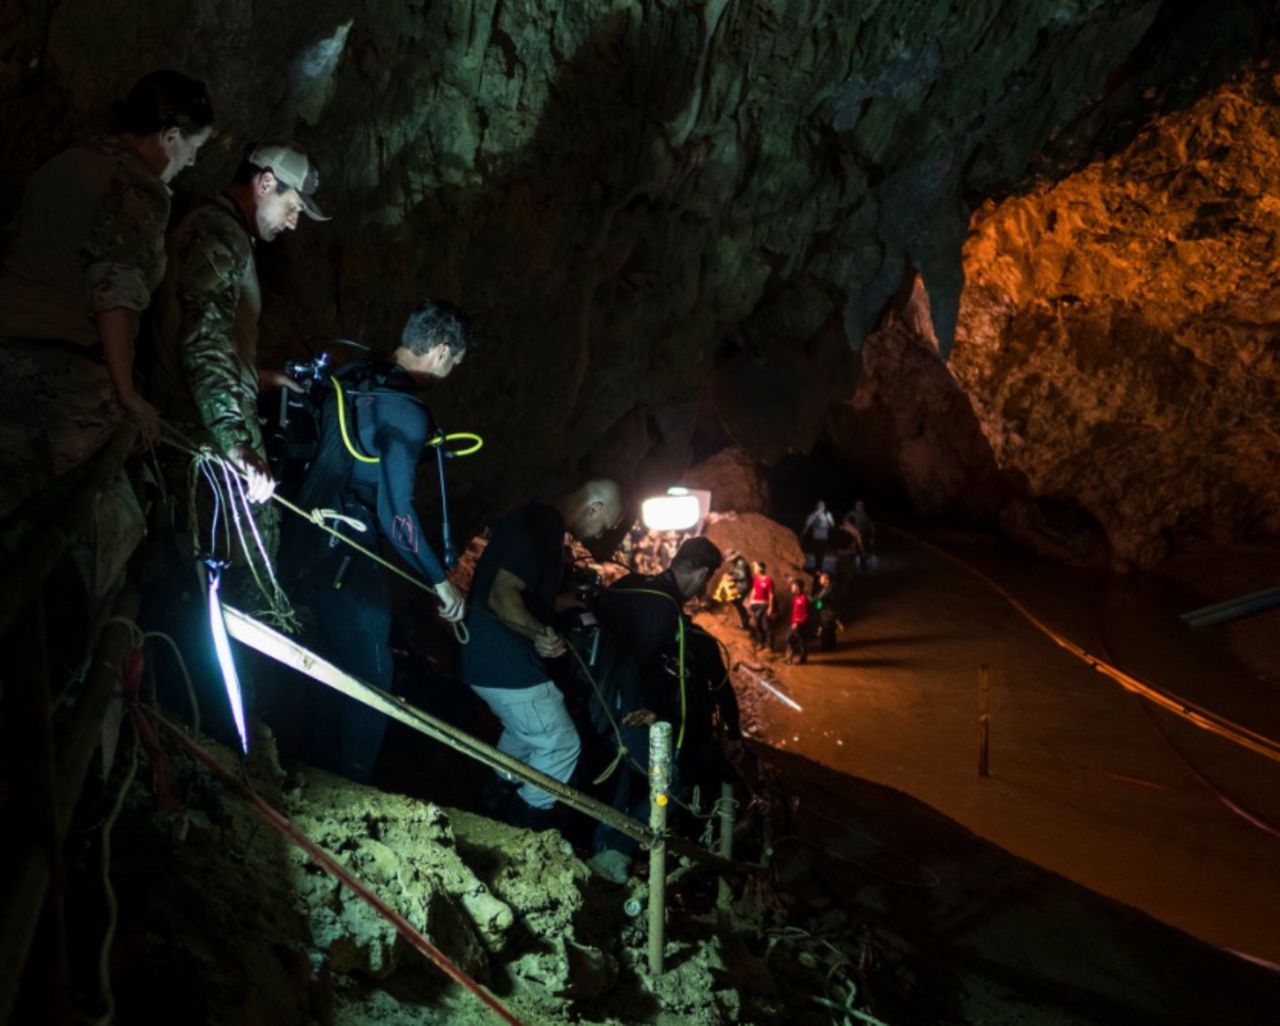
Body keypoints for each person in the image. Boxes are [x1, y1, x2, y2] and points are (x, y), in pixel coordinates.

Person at [0, 70, 214, 519]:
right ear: (170, 136)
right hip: (61, 377)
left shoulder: (66, 162)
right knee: (98, 521)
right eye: (194, 148)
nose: (193, 162)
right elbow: (114, 291)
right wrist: (126, 396)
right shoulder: (137, 190)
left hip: (7, 353)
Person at [277, 301, 471, 782]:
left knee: (323, 661)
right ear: (443, 351)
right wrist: (438, 581)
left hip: (295, 540)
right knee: (373, 675)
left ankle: (309, 769)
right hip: (347, 552)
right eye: (456, 364)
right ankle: (351, 785)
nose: (451, 373)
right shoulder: (405, 410)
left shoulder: (350, 377)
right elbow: (396, 515)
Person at [151, 141, 330, 513]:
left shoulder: (219, 230)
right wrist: (236, 442)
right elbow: (204, 342)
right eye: (293, 207)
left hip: (199, 420)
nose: (293, 223)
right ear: (265, 184)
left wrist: (258, 376)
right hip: (200, 429)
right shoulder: (220, 237)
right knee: (242, 552)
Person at [456, 479, 623, 829]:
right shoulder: (543, 524)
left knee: (524, 735)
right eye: (603, 525)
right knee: (560, 743)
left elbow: (519, 589)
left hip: (485, 657)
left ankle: (490, 810)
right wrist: (540, 632)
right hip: (504, 660)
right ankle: (523, 832)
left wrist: (563, 603)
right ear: (595, 506)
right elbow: (503, 596)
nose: (596, 535)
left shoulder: (532, 518)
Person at [586, 535, 742, 883]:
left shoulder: (630, 585)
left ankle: (602, 850)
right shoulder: (663, 607)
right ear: (701, 573)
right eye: (707, 580)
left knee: (623, 780)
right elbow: (633, 659)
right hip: (622, 708)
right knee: (671, 782)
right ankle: (613, 855)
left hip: (592, 697)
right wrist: (644, 708)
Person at [746, 560, 775, 650]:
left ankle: (770, 645)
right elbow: (754, 590)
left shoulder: (769, 580)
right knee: (756, 625)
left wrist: (770, 607)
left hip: (763, 606)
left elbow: (771, 595)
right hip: (755, 604)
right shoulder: (756, 580)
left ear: (760, 569)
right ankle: (761, 643)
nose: (754, 570)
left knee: (765, 625)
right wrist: (750, 601)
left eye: (755, 568)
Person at [802, 500, 835, 570]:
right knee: (821, 554)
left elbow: (806, 527)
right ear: (824, 507)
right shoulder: (827, 514)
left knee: (817, 554)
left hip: (816, 538)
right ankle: (819, 568)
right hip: (823, 538)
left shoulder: (812, 515)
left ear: (816, 506)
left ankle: (818, 568)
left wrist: (802, 536)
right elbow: (833, 526)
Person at [784, 577, 810, 665]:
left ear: (797, 587)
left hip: (800, 625)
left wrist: (798, 623)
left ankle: (801, 659)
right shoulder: (795, 598)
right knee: (791, 639)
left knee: (798, 640)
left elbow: (806, 614)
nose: (791, 588)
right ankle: (789, 658)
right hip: (794, 624)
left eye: (793, 586)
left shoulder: (804, 599)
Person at [845, 500, 876, 573]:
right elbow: (845, 522)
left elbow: (871, 526)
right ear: (855, 506)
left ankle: (863, 569)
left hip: (864, 535)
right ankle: (851, 570)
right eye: (858, 505)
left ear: (863, 506)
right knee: (852, 551)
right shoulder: (851, 513)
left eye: (861, 505)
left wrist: (872, 537)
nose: (859, 506)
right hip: (853, 534)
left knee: (863, 551)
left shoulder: (866, 515)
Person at [813, 570, 837, 651]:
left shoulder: (827, 590)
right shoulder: (829, 588)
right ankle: (832, 647)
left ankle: (826, 649)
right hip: (830, 613)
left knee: (826, 631)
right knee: (831, 631)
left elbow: (817, 599)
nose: (820, 580)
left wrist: (807, 599)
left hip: (827, 614)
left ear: (827, 580)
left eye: (822, 578)